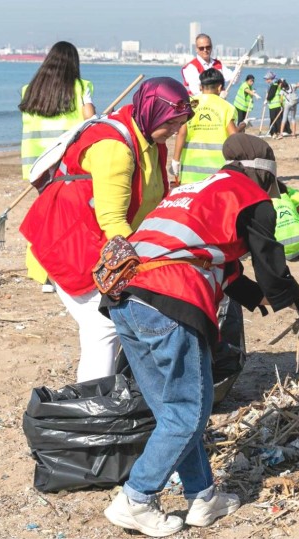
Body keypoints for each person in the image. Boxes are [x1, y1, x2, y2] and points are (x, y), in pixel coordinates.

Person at [101, 134, 299, 536]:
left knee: (171, 410)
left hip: (125, 297)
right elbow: (275, 278)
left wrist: (260, 298)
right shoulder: (253, 199)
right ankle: (136, 498)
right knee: (189, 412)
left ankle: (203, 496)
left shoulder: (194, 191)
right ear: (265, 177)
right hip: (167, 299)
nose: (272, 197)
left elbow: (222, 267)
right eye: (273, 189)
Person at [19, 77, 192, 383]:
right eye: (172, 123)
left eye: (180, 123)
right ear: (153, 112)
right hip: (71, 245)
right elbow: (112, 220)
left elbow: (153, 203)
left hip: (100, 245)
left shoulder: (151, 141)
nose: (176, 130)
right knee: (104, 326)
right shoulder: (116, 149)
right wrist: (144, 271)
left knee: (119, 321)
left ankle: (114, 392)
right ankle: (93, 403)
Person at [18, 41, 96, 292]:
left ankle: (45, 276)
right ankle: (58, 274)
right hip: (64, 164)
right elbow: (90, 119)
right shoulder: (81, 87)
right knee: (64, 220)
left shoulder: (29, 90)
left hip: (36, 162)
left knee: (44, 217)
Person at [173, 68, 238, 186]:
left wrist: (175, 160)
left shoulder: (190, 104)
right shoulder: (226, 107)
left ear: (200, 87)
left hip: (190, 172)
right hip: (217, 172)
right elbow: (234, 137)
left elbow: (182, 133)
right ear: (219, 88)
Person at [264, 72, 285, 137]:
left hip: (275, 105)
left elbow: (271, 95)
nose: (266, 80)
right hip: (276, 105)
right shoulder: (275, 84)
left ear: (270, 78)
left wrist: (267, 100)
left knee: (274, 119)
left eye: (267, 79)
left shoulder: (274, 85)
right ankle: (276, 132)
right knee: (277, 119)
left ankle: (274, 133)